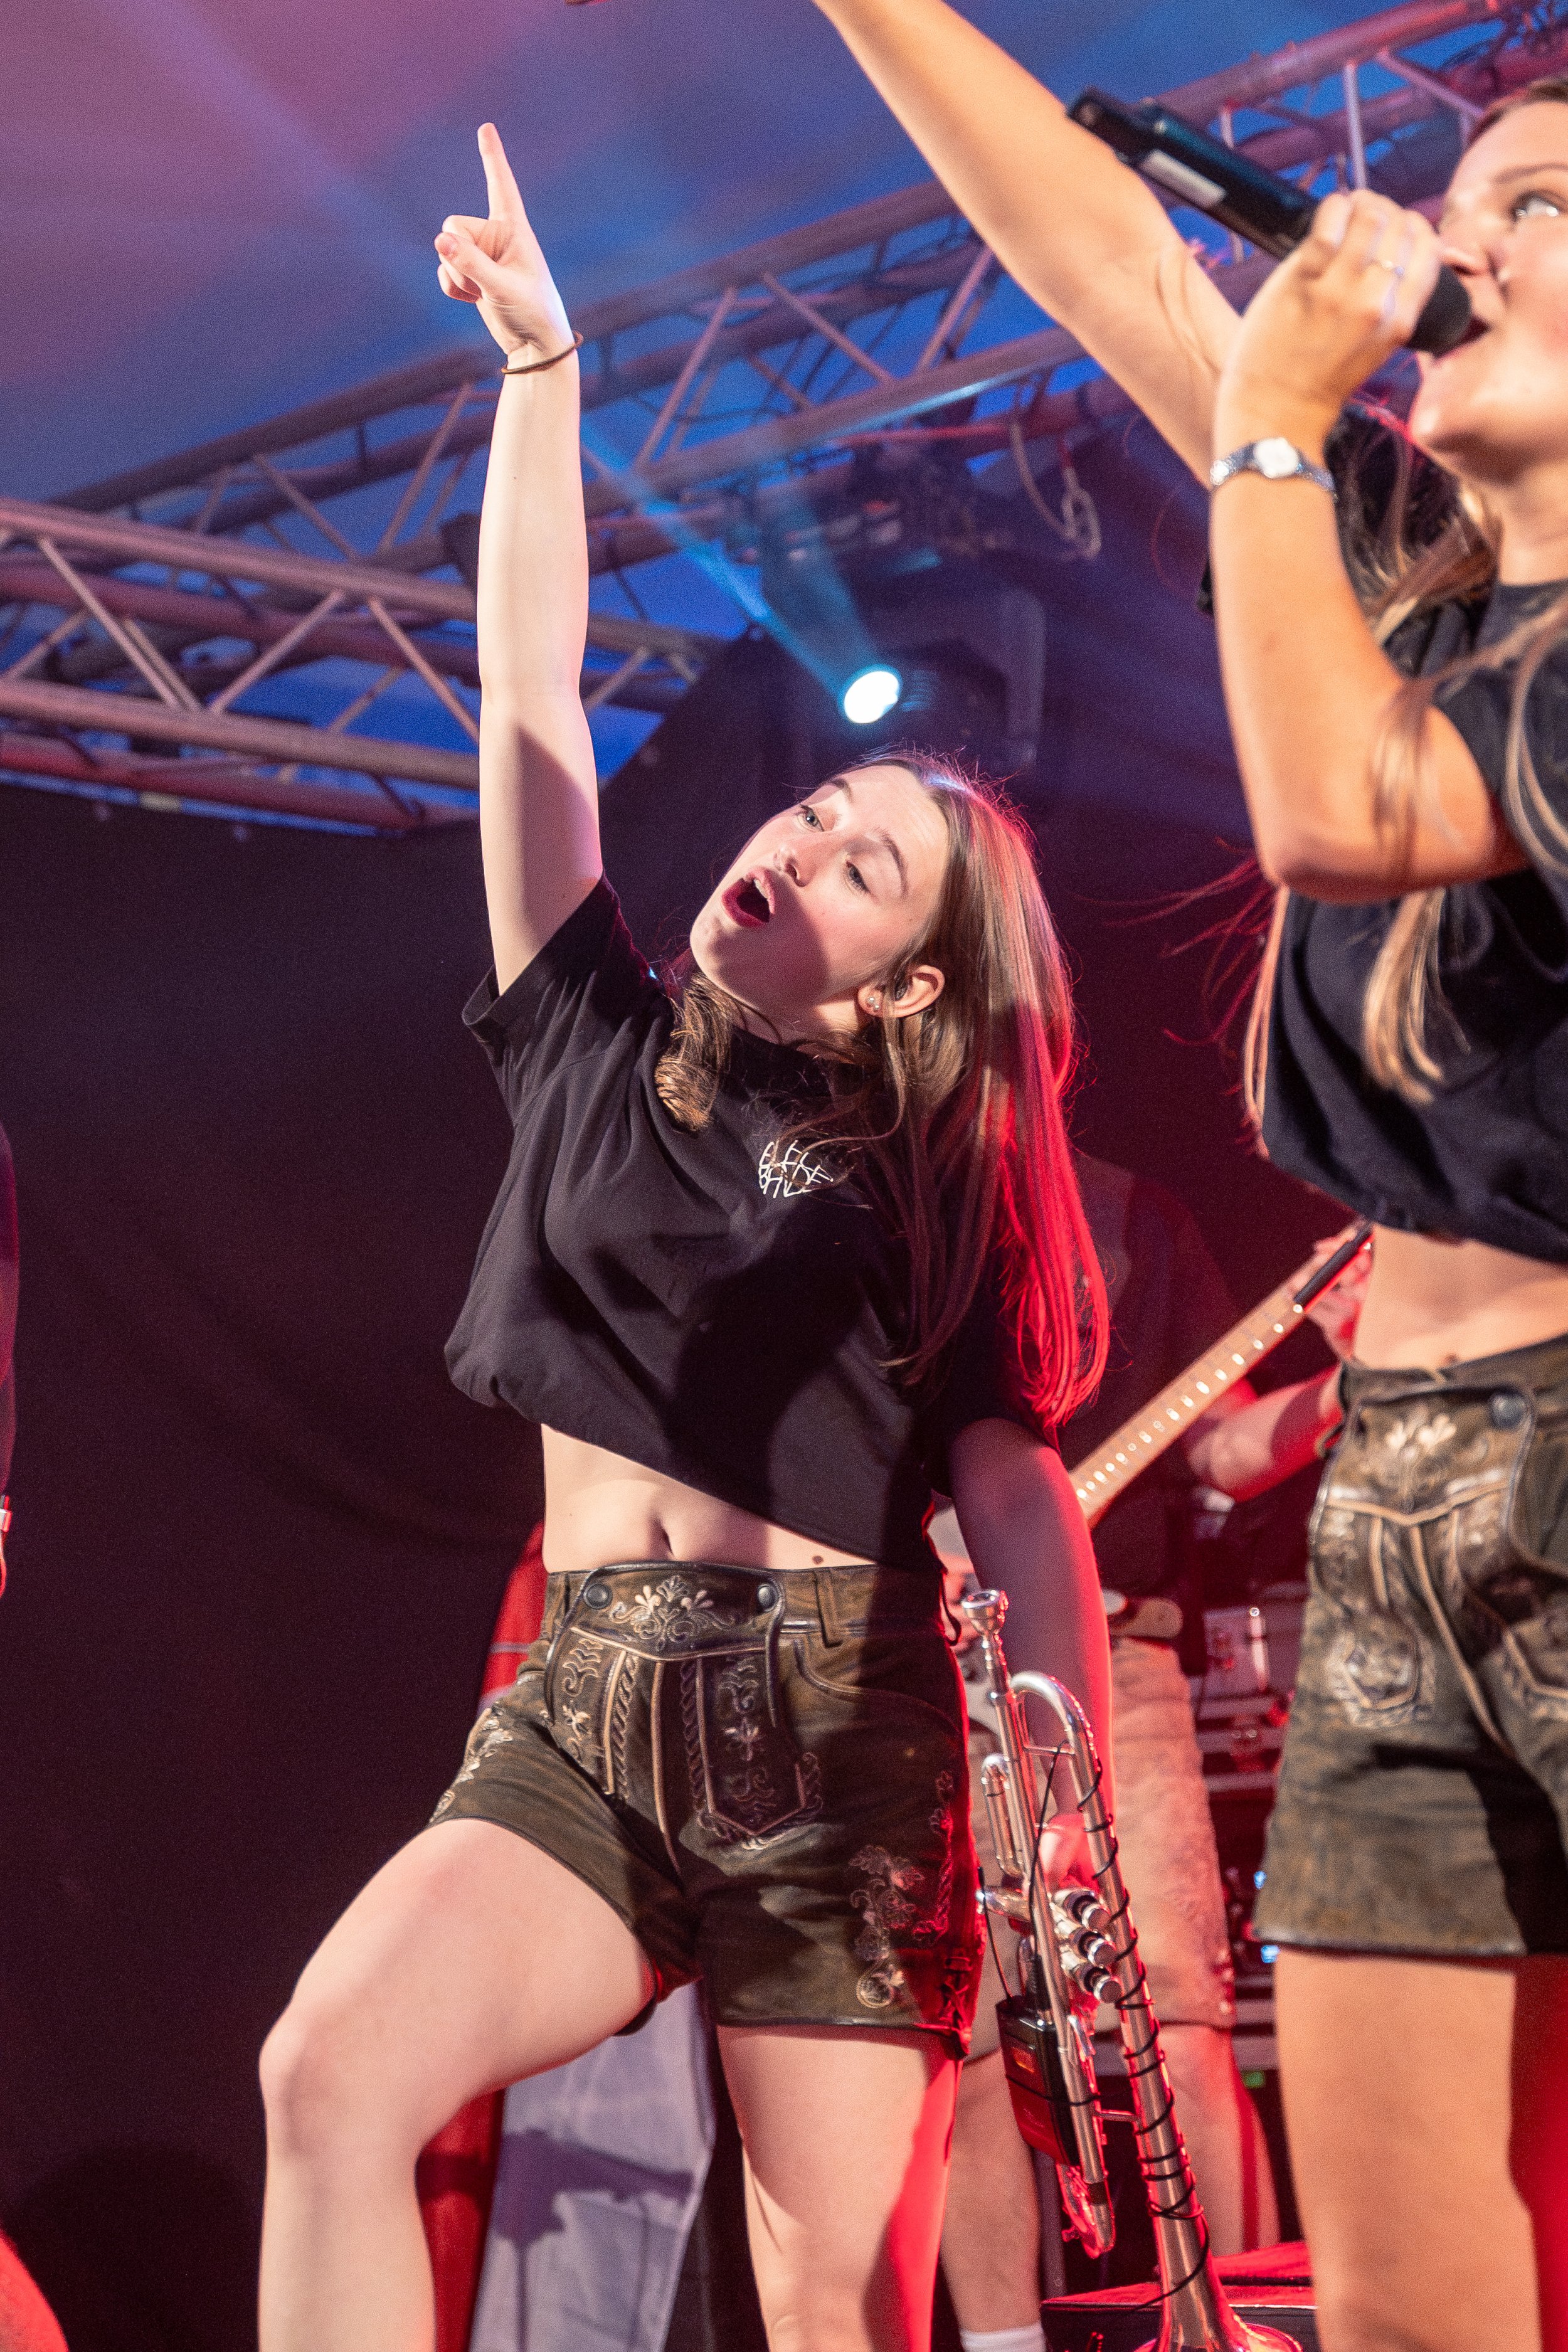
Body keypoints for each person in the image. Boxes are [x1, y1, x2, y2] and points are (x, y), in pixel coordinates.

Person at [257, 123, 1118, 2352]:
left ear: (910, 989)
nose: (797, 846)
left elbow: (1013, 1483)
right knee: (328, 2077)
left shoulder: (922, 1185)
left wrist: (1063, 1790)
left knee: (834, 2301)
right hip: (577, 1708)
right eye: (810, 813)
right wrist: (546, 382)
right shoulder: (589, 1034)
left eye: (858, 868)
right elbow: (530, 700)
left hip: (837, 1737)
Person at [791, 9, 1568, 2346]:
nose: (1455, 247)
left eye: (1535, 209)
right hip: (1407, 1486)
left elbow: (1341, 813)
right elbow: (1105, 258)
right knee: (1401, 2275)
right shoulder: (1412, 593)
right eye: (1456, 205)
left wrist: (1266, 421)